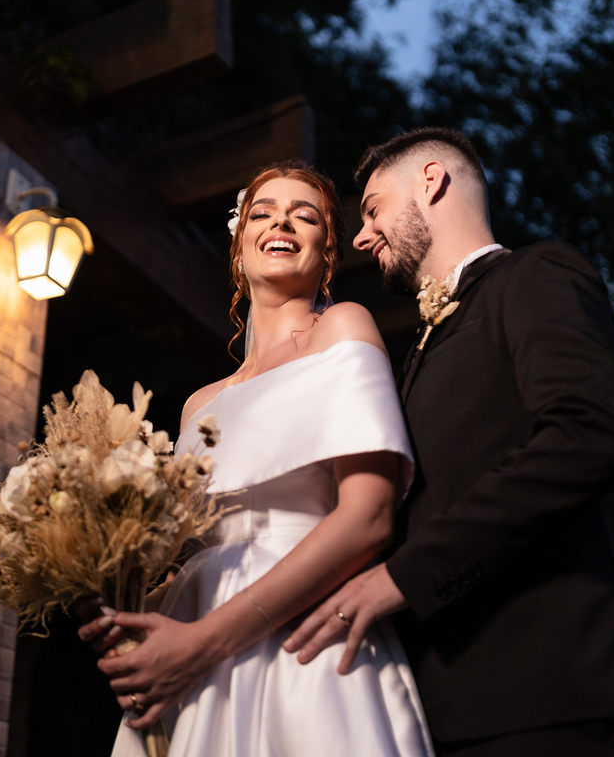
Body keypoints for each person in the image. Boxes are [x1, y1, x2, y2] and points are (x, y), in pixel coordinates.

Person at [283, 128, 614, 756]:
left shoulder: (535, 274)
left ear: (431, 181)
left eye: (372, 209)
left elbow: (592, 432)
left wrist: (407, 576)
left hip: (564, 699)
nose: (363, 236)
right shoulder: (414, 353)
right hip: (449, 712)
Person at [79, 162, 435, 757]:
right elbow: (195, 561)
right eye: (263, 213)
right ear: (240, 250)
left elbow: (369, 518)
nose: (282, 223)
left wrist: (206, 643)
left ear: (327, 252)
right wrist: (112, 600)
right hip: (189, 660)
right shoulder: (199, 405)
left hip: (300, 642)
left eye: (305, 216)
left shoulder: (341, 328)